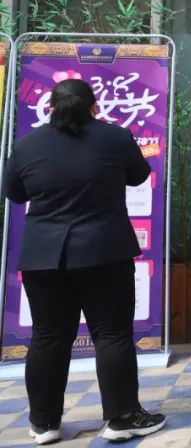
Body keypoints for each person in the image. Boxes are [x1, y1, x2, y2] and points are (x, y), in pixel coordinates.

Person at [2, 79, 166, 444]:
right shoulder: (115, 137)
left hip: (44, 258)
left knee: (47, 337)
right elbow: (139, 175)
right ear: (95, 107)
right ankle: (122, 418)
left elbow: (14, 193)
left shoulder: (27, 145)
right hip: (104, 252)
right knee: (111, 334)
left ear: (50, 107)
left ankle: (44, 424)